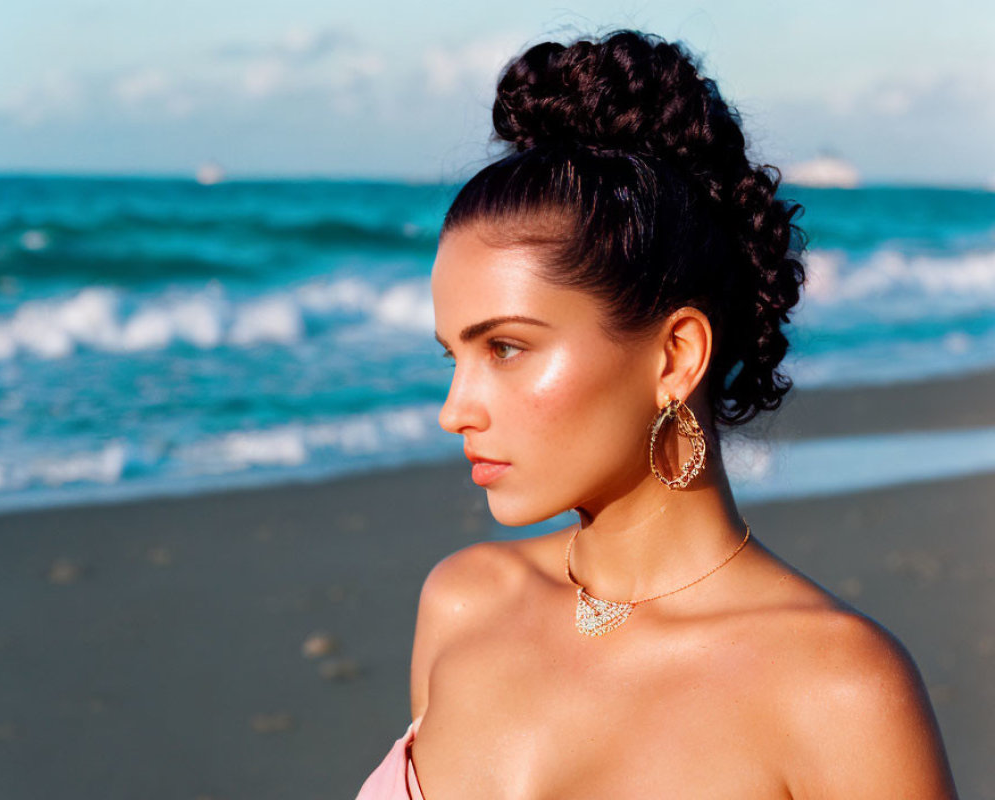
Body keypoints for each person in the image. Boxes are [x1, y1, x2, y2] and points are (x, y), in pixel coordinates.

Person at [356, 29, 958, 799]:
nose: (455, 411)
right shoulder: (463, 606)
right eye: (453, 357)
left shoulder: (836, 689)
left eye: (505, 348)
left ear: (674, 357)